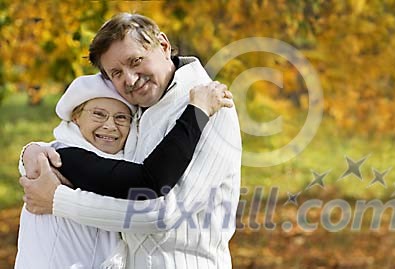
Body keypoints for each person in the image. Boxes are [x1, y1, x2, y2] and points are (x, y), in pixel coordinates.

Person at [19, 12, 242, 268]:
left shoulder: (210, 105)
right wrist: (34, 152)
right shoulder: (135, 107)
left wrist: (57, 200)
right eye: (116, 72)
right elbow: (92, 156)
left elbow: (165, 215)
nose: (131, 79)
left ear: (164, 45)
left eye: (136, 61)